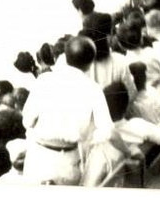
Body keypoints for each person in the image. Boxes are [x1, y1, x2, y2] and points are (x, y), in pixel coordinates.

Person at [21, 35, 119, 186]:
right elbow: (107, 130)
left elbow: (27, 121)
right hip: (69, 160)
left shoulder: (44, 80)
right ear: (90, 64)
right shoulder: (93, 89)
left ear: (65, 57)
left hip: (39, 158)